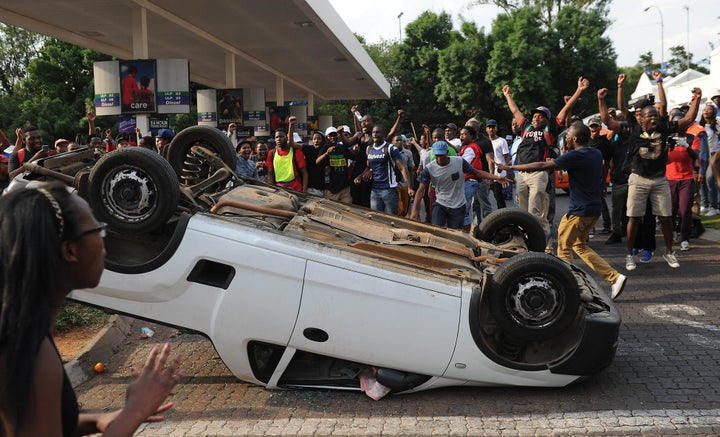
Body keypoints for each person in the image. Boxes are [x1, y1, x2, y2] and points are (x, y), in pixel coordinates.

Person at [0, 184, 184, 436]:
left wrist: (98, 420)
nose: (104, 240)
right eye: (98, 229)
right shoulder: (30, 354)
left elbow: (42, 423)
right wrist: (135, 411)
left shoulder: (20, 329)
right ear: (70, 250)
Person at [499, 122, 627, 299]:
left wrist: (512, 168)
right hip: (593, 209)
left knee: (564, 249)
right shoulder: (595, 153)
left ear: (574, 138)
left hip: (579, 211)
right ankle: (614, 277)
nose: (564, 138)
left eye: (567, 136)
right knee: (579, 246)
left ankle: (574, 287)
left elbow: (542, 166)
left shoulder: (576, 156)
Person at [598, 73, 702, 270]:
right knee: (634, 218)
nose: (653, 117)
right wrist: (601, 99)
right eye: (649, 116)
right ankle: (629, 254)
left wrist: (696, 99)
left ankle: (669, 252)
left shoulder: (664, 128)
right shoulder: (632, 129)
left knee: (665, 218)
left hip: (660, 179)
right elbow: (609, 121)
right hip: (638, 179)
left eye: (655, 115)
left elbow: (688, 119)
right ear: (641, 119)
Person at [501, 76, 589, 235]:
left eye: (540, 116)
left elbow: (565, 109)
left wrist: (579, 90)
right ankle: (526, 239)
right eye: (534, 115)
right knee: (522, 211)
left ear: (546, 119)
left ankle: (540, 241)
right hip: (521, 173)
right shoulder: (526, 126)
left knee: (536, 209)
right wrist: (508, 95)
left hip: (539, 174)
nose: (536, 117)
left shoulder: (551, 127)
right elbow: (515, 110)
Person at [411, 141, 509, 229]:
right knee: (437, 230)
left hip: (458, 205)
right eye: (437, 155)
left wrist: (497, 177)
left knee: (455, 234)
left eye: (442, 155)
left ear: (447, 152)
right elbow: (420, 191)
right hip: (441, 203)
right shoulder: (430, 168)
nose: (439, 158)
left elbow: (477, 172)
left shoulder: (459, 161)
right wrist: (414, 212)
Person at [353, 124, 413, 215]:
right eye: (373, 132)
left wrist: (409, 187)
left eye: (377, 132)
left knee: (391, 219)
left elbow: (402, 168)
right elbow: (368, 167)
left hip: (389, 190)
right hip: (374, 190)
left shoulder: (390, 148)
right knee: (376, 218)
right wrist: (360, 177)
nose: (375, 134)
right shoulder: (369, 149)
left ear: (384, 134)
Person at [666, 112, 698, 252]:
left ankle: (685, 238)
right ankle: (673, 232)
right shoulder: (668, 138)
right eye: (676, 123)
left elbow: (696, 155)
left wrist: (686, 146)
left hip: (686, 179)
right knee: (671, 210)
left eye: (682, 123)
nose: (679, 126)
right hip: (670, 179)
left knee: (685, 210)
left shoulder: (691, 138)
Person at [316, 127, 355, 203]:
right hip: (331, 189)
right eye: (330, 136)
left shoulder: (342, 148)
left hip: (344, 188)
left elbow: (354, 157)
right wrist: (327, 153)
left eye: (334, 135)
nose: (333, 137)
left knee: (348, 211)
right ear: (327, 137)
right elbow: (317, 162)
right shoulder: (325, 148)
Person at [266, 128, 308, 193]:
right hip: (279, 189)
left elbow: (304, 172)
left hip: (296, 189)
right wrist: (271, 190)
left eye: (281, 137)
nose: (278, 139)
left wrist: (304, 190)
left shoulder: (296, 152)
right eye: (276, 137)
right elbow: (270, 173)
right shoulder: (271, 153)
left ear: (287, 138)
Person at [485, 119, 511, 209]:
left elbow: (506, 157)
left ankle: (503, 214)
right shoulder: (485, 142)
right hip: (487, 172)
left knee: (498, 196)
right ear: (486, 129)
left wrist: (508, 169)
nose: (491, 129)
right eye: (489, 127)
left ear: (496, 129)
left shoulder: (502, 141)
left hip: (499, 172)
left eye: (493, 127)